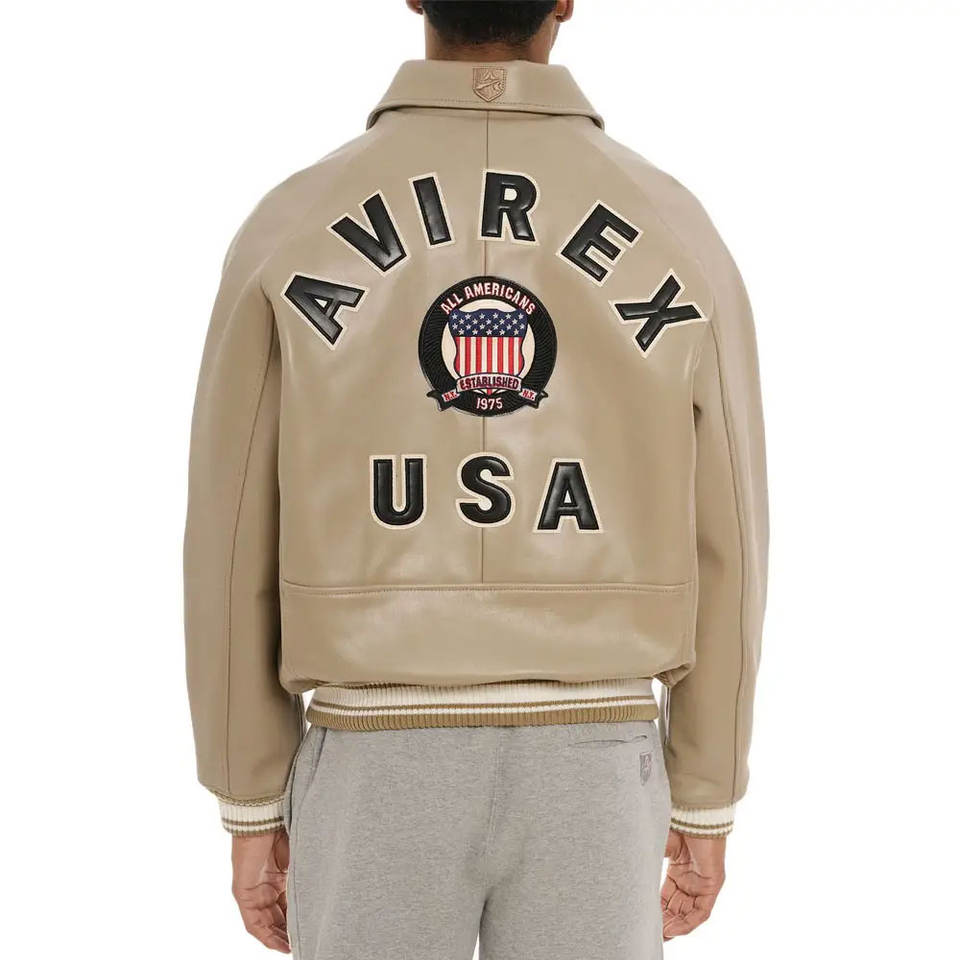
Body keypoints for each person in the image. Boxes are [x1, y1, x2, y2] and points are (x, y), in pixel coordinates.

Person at [183, 2, 767, 957]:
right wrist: (707, 790)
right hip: (598, 755)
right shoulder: (672, 225)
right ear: (565, 0)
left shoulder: (293, 224)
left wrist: (248, 793)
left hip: (372, 757)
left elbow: (230, 525)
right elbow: (731, 526)